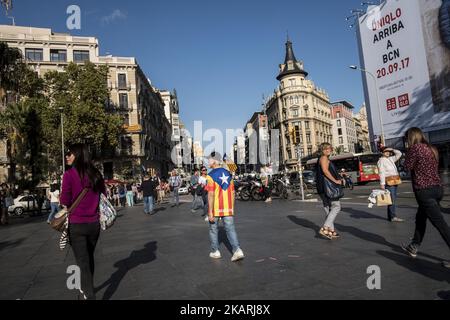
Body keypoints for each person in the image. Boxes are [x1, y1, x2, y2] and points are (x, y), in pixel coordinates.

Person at [60, 144, 106, 300]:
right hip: (94, 224)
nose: (67, 156)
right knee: (88, 258)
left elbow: (64, 200)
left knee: (82, 261)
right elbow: (104, 195)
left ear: (78, 156)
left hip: (77, 225)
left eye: (70, 154)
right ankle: (87, 287)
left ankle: (88, 294)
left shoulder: (69, 175)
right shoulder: (96, 174)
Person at [401, 128, 450, 269]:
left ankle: (414, 245)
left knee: (441, 225)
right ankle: (414, 246)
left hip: (424, 191)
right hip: (437, 188)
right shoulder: (431, 148)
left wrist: (406, 153)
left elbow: (406, 166)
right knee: (420, 218)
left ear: (410, 137)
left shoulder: (415, 149)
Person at [206, 152, 245, 262]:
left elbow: (211, 194)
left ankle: (215, 251)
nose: (208, 162)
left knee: (213, 230)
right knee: (230, 229)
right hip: (228, 207)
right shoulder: (228, 174)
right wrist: (232, 207)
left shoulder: (210, 176)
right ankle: (237, 250)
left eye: (209, 160)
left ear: (214, 161)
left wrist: (210, 212)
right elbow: (233, 193)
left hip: (216, 208)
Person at [316, 143, 344, 240]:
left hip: (322, 187)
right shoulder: (324, 158)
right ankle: (325, 228)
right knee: (336, 206)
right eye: (325, 149)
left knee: (328, 209)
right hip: (327, 187)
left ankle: (330, 231)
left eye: (329, 148)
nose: (328, 150)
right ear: (322, 150)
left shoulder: (322, 158)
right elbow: (325, 171)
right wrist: (335, 180)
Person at [377, 147, 404, 222]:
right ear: (382, 152)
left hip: (395, 180)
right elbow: (381, 173)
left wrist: (392, 149)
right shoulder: (381, 161)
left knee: (391, 199)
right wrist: (382, 184)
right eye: (386, 151)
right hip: (389, 182)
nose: (388, 153)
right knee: (392, 200)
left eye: (388, 152)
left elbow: (399, 153)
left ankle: (391, 217)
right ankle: (393, 216)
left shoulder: (391, 159)